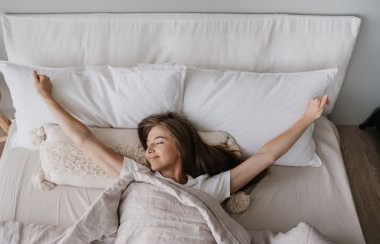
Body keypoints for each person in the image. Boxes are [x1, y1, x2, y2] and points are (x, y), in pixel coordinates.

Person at [32, 71, 330, 202]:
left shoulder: (209, 188)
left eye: (158, 142)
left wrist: (307, 119)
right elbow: (85, 141)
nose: (148, 152)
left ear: (182, 148)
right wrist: (47, 99)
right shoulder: (135, 175)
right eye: (148, 146)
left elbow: (267, 157)